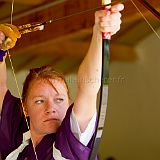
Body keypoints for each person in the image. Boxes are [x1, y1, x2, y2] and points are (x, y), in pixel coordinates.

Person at [0, 3, 124, 160]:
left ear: (69, 103)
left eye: (59, 100)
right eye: (39, 101)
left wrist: (100, 33)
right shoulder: (17, 136)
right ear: (25, 108)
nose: (51, 108)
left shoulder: (70, 142)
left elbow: (89, 87)